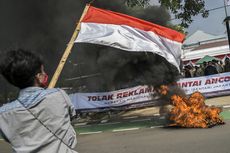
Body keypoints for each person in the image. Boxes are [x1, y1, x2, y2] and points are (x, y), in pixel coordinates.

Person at [0, 49, 77, 153]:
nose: (45, 74)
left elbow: (9, 138)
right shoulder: (59, 95)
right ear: (38, 77)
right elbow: (71, 117)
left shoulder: (3, 114)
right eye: (42, 71)